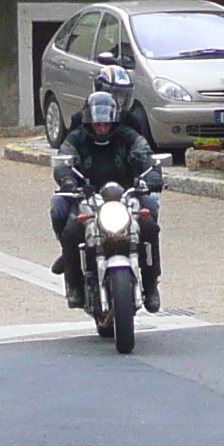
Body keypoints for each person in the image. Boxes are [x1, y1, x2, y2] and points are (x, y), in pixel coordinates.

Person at [51, 74, 162, 310]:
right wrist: (68, 181)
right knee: (67, 225)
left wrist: (152, 174)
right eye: (97, 124)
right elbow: (63, 160)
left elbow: (144, 155)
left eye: (106, 123)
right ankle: (73, 282)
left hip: (126, 195)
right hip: (87, 197)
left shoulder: (127, 135)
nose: (102, 128)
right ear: (89, 121)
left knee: (150, 223)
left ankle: (151, 285)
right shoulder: (77, 137)